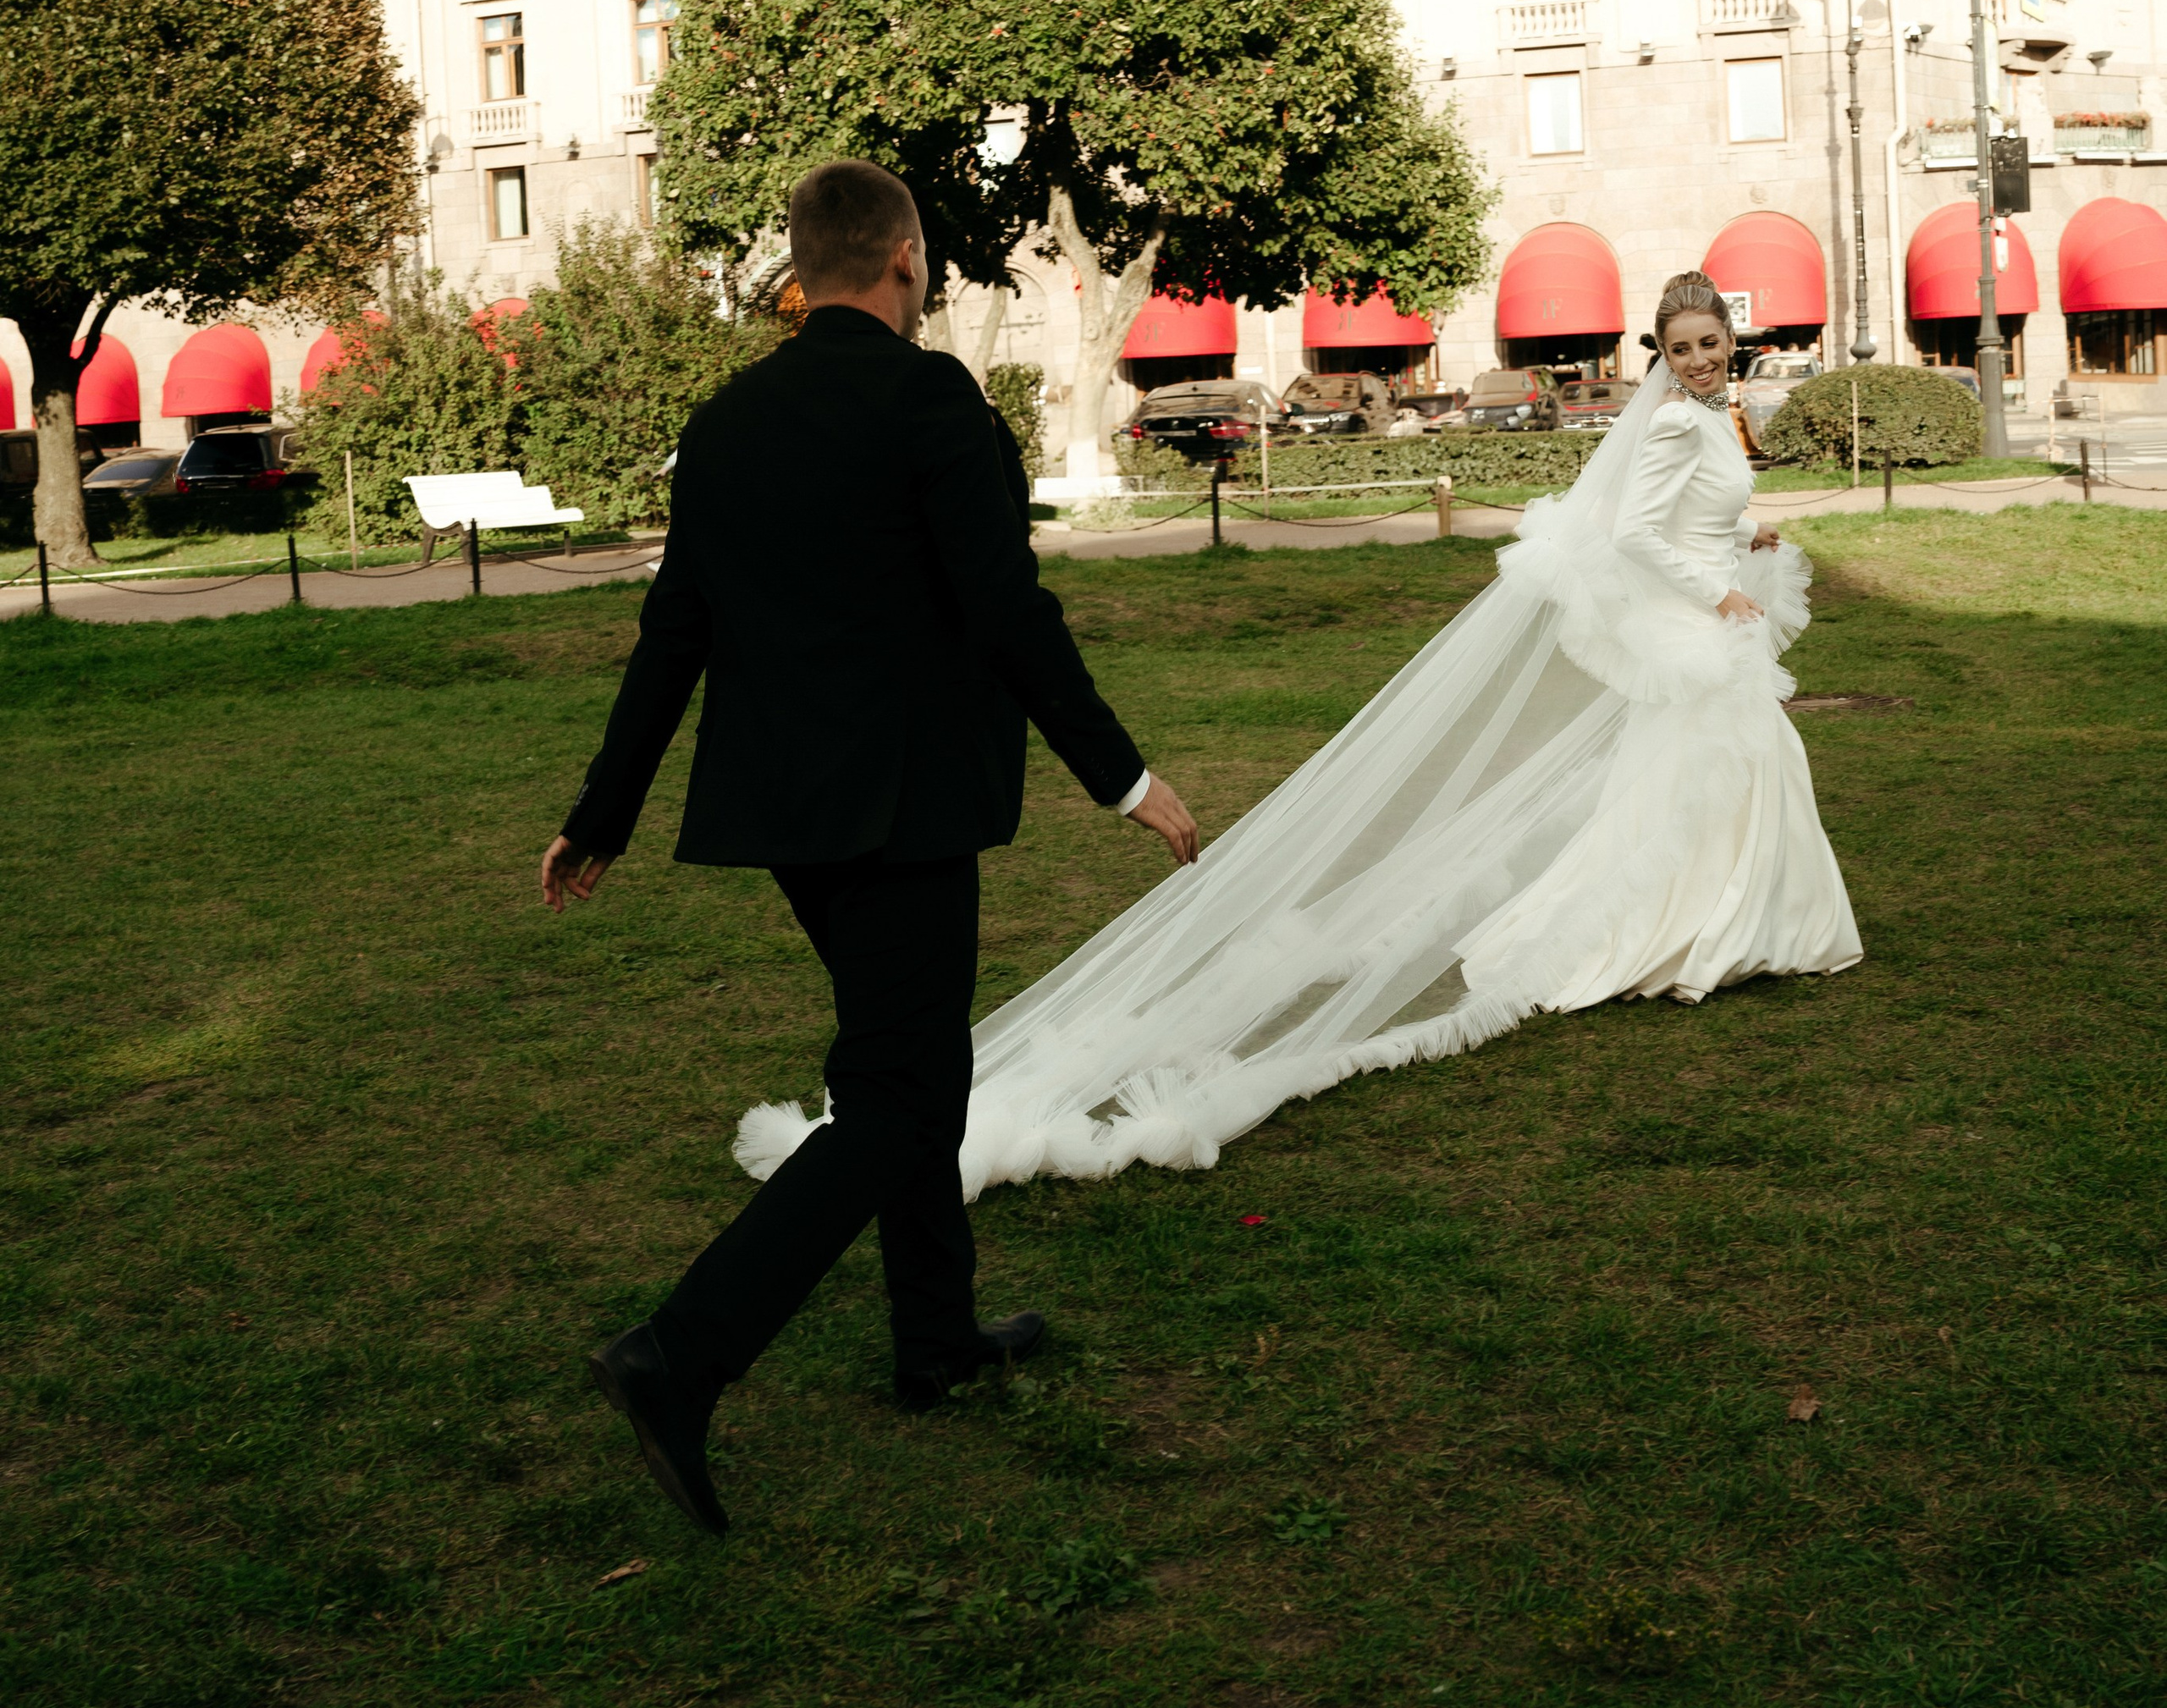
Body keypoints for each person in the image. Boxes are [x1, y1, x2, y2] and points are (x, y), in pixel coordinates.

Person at [739, 270, 1854, 1202]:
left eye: (1713, 344)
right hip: (1701, 625)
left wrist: (1742, 535)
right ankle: (1683, 931)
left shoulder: (1708, 417)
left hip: (1713, 617)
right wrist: (1717, 595)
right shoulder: (1668, 420)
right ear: (1662, 350)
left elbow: (1692, 514)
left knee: (1700, 779)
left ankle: (1711, 924)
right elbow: (1642, 531)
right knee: (1720, 770)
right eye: (1684, 345)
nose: (1702, 359)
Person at [543, 159, 1198, 1538]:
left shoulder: (726, 423)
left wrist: (601, 816)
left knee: (919, 1057)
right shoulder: (931, 400)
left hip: (792, 820)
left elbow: (677, 637)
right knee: (897, 1094)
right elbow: (1009, 611)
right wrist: (1124, 776)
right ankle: (680, 1353)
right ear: (903, 259)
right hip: (904, 811)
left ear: (806, 263)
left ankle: (936, 1340)